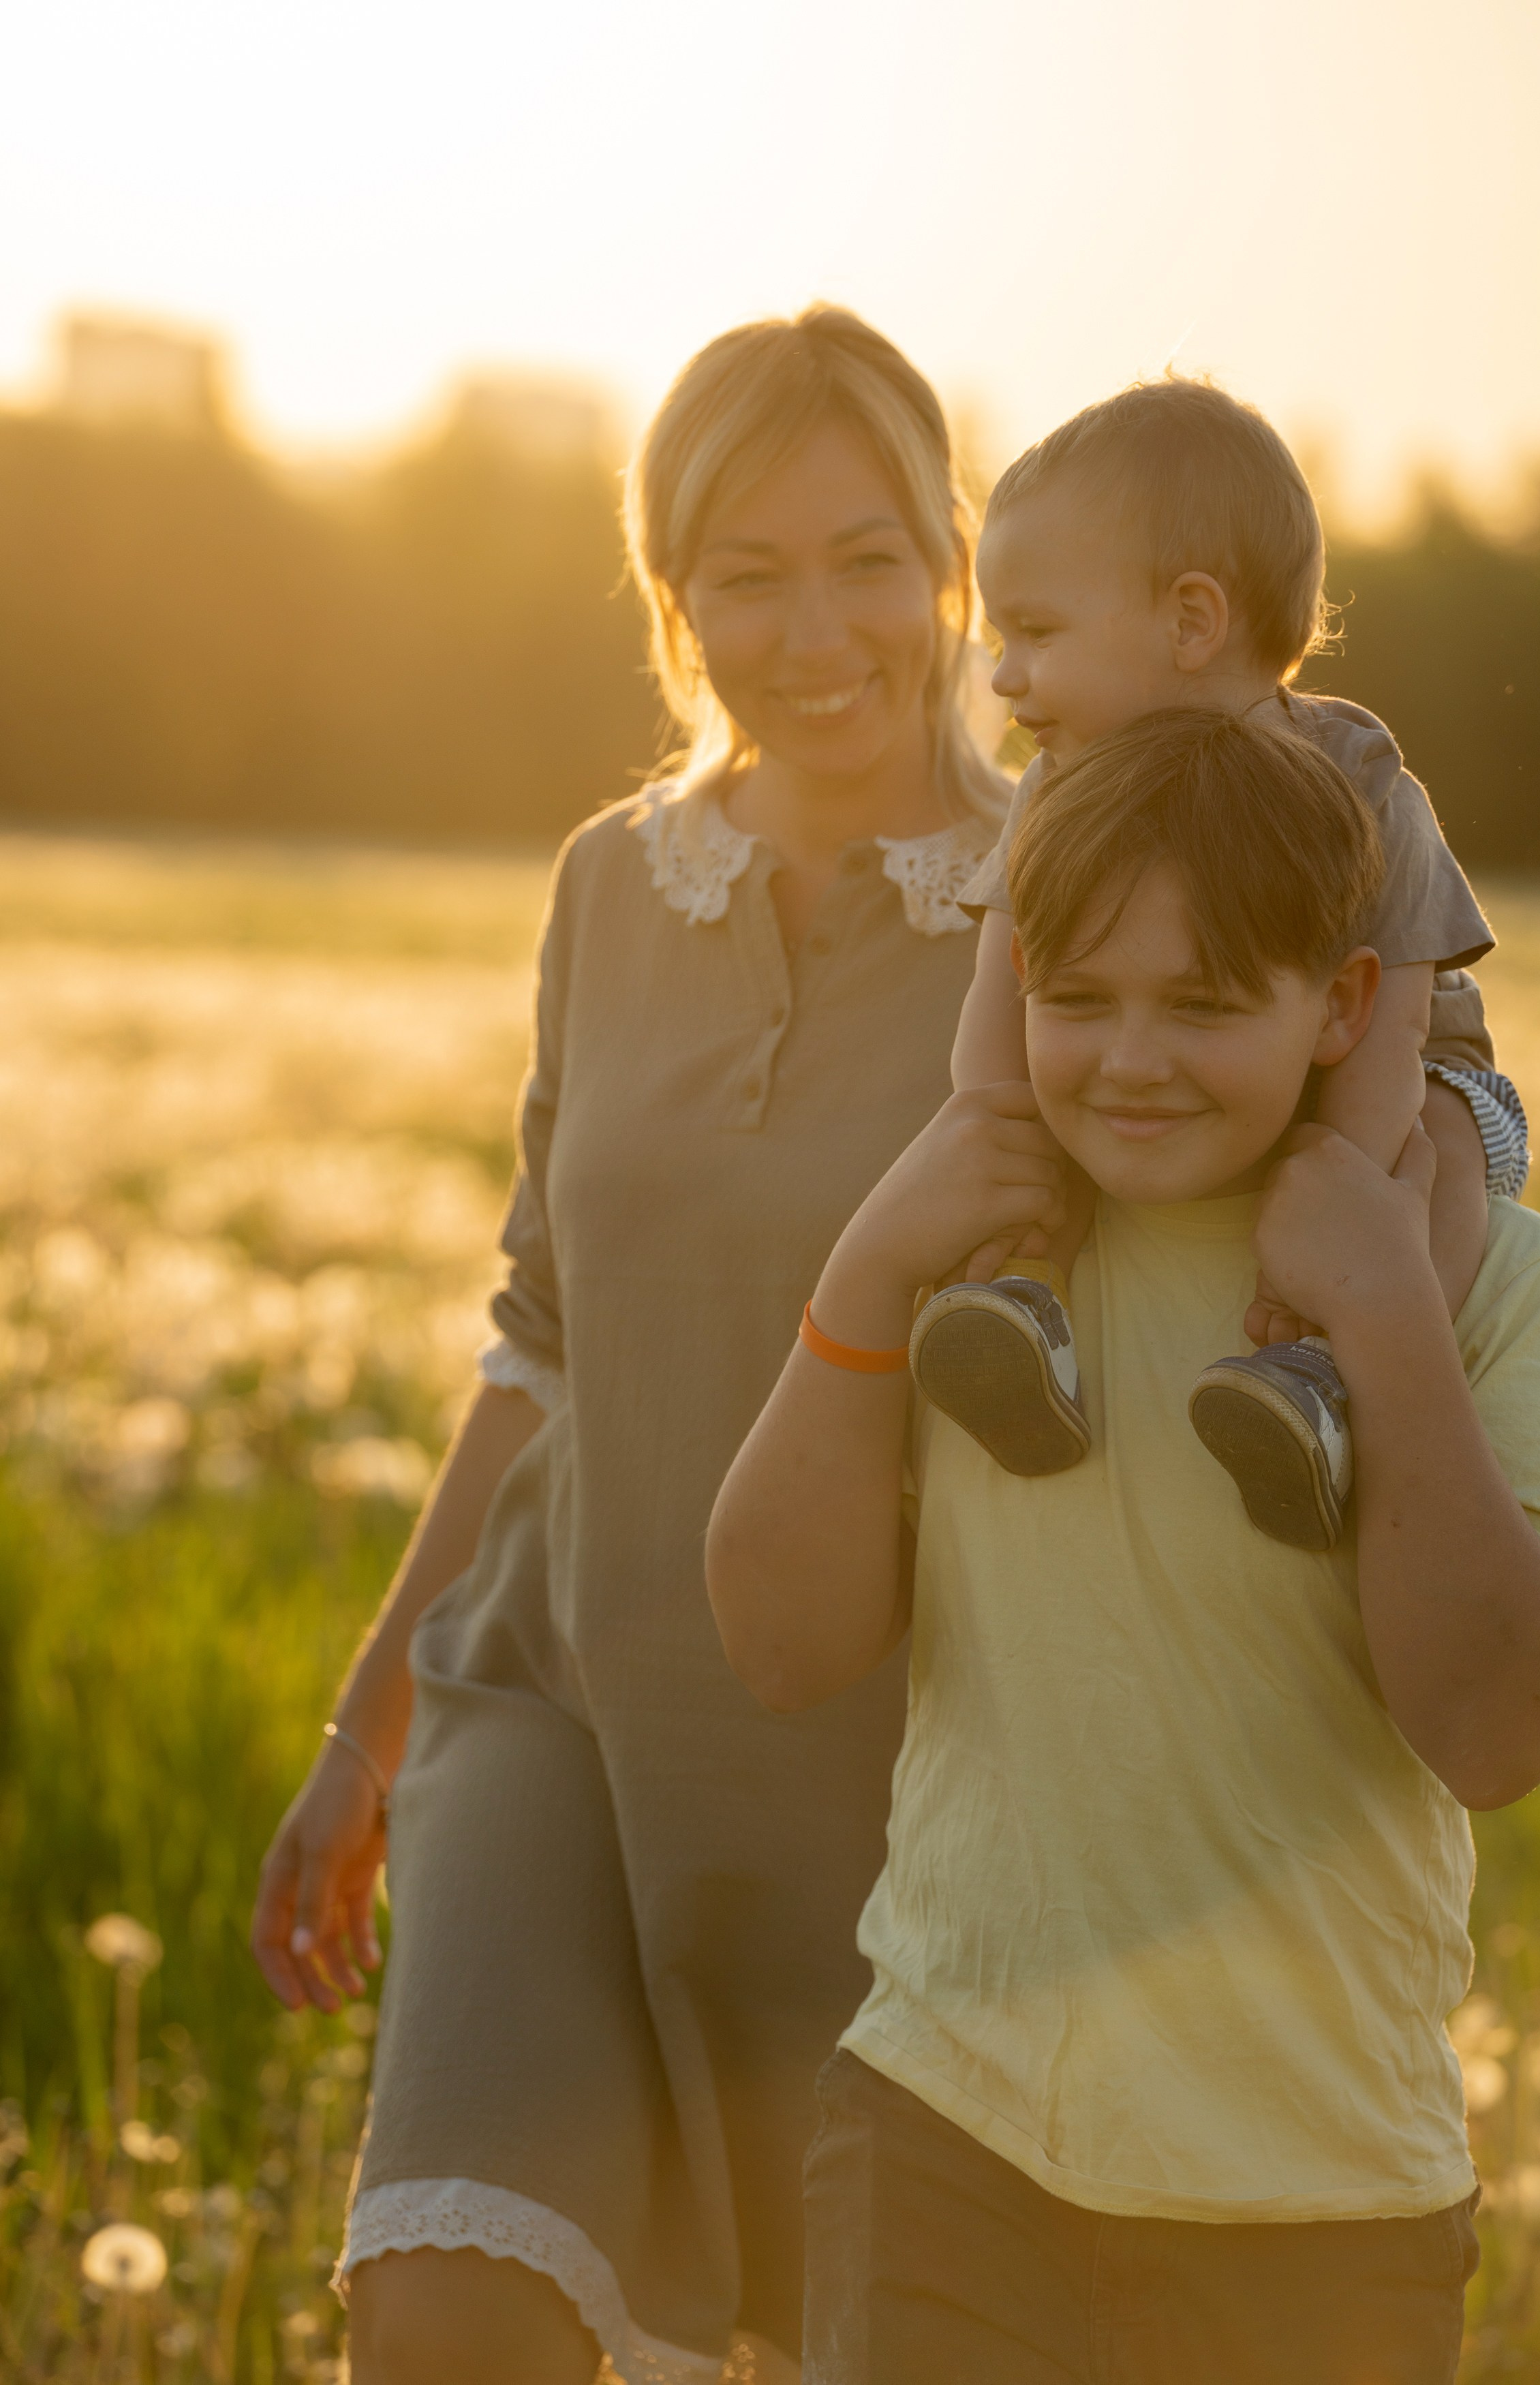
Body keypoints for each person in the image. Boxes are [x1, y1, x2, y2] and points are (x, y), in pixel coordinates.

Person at [247, 305, 1008, 2385]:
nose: (813, 624)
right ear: (672, 597)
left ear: (949, 556)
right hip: (552, 1693)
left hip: (881, 1758)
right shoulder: (609, 883)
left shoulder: (1062, 901)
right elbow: (537, 1344)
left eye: (863, 553)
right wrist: (366, 1729)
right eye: (742, 572)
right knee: (442, 2312)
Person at [706, 707, 1540, 2384]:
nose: (1130, 1060)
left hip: (1320, 2213)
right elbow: (775, 1639)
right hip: (943, 2143)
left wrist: (1388, 1312)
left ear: (1341, 1002)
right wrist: (868, 1271)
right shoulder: (991, 1257)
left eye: (1203, 1004)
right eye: (1082, 999)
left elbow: (1499, 1732)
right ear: (1016, 976)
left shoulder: (1505, 1291)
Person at [904, 380, 1528, 1553]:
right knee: (1006, 1134)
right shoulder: (1056, 792)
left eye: (1033, 634)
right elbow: (1002, 1001)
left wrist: (1333, 1214)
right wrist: (1001, 1155)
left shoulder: (1359, 781)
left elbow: (1389, 1036)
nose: (999, 678)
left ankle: (1327, 1376)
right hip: (1191, 1078)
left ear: (1191, 622)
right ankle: (1022, 1321)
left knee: (1438, 1157)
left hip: (1393, 1081)